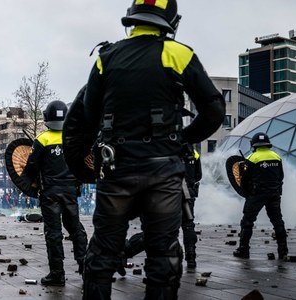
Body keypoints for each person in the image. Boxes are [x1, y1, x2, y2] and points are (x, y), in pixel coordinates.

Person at [80, 0, 225, 298]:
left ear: (132, 18)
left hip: (116, 169)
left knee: (102, 254)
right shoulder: (178, 53)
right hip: (163, 173)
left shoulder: (106, 58)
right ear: (172, 20)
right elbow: (214, 110)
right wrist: (182, 138)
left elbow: (86, 115)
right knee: (163, 256)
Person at [23, 100, 88, 286]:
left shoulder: (42, 140)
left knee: (54, 233)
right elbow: (83, 165)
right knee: (76, 229)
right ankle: (85, 267)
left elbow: (31, 167)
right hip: (70, 192)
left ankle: (57, 274)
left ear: (46, 118)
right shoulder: (74, 139)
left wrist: (31, 181)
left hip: (50, 193)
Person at [122, 147, 202, 269]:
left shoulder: (163, 147)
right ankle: (191, 257)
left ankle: (126, 251)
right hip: (187, 194)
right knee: (188, 225)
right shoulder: (193, 152)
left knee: (157, 231)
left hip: (167, 194)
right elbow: (198, 175)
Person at [233, 132, 287, 260]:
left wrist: (247, 193)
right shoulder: (276, 157)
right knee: (278, 222)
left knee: (247, 222)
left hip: (257, 195)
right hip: (274, 194)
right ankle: (283, 251)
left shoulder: (252, 158)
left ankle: (243, 250)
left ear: (254, 145)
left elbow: (244, 179)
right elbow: (281, 176)